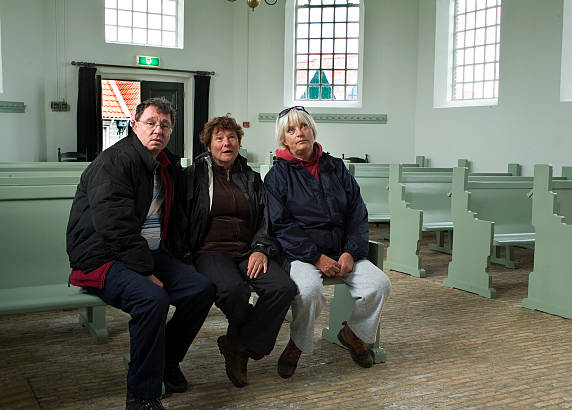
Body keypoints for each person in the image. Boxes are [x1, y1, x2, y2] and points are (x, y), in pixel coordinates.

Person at [66, 97, 216, 410]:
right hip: (102, 256)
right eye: (150, 122)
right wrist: (147, 273)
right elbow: (115, 227)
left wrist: (180, 259)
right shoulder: (114, 162)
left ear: (171, 130)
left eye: (165, 125)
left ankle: (166, 362)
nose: (157, 130)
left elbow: (175, 219)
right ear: (135, 126)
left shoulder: (166, 166)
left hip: (144, 253)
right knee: (152, 299)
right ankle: (141, 397)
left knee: (201, 289)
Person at [263, 106, 392, 379]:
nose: (300, 133)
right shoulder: (277, 176)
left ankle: (352, 333)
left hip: (342, 249)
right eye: (291, 130)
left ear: (313, 130)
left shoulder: (335, 168)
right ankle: (297, 344)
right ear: (283, 139)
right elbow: (281, 225)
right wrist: (315, 257)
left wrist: (350, 252)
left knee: (379, 285)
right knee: (309, 292)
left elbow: (357, 212)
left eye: (304, 126)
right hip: (300, 254)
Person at [182, 114, 296, 388]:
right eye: (219, 138)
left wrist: (260, 249)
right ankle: (246, 343)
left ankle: (238, 344)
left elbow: (265, 220)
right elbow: (180, 220)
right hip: (210, 251)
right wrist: (186, 259)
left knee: (283, 288)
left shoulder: (253, 178)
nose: (226, 143)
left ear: (239, 142)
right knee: (234, 292)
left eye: (231, 137)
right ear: (208, 144)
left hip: (247, 251)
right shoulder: (193, 176)